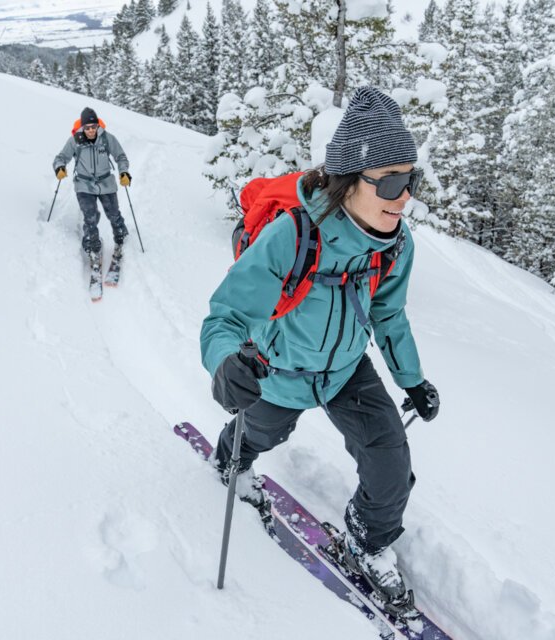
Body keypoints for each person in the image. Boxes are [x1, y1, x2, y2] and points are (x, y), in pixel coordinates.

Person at [200, 87, 440, 610]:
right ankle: (230, 462)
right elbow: (226, 315)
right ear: (349, 182)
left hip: (346, 370)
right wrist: (224, 363)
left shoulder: (396, 242)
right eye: (393, 182)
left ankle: (366, 540)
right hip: (278, 369)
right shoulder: (293, 235)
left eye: (411, 179)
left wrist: (412, 379)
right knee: (262, 433)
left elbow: (388, 313)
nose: (406, 197)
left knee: (391, 460)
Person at [53, 107, 131, 261]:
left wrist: (124, 172)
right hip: (84, 184)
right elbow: (61, 157)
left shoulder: (107, 138)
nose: (90, 130)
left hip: (106, 182)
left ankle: (121, 237)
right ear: (82, 127)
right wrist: (60, 168)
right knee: (90, 217)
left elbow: (121, 156)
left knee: (114, 213)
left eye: (93, 127)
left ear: (97, 125)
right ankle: (92, 246)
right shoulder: (75, 141)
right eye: (87, 127)